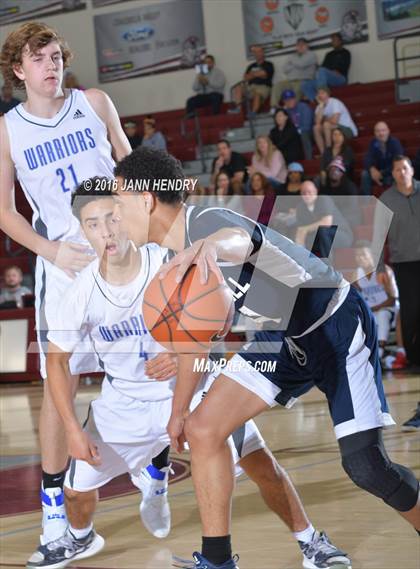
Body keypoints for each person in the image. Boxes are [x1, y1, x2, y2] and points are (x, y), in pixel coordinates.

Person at [113, 147, 419, 569]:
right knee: (202, 430)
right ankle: (218, 560)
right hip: (281, 339)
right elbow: (196, 345)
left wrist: (209, 247)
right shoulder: (171, 260)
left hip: (334, 323)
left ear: (145, 200)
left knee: (367, 468)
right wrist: (178, 411)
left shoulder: (205, 221)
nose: (115, 210)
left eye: (119, 198)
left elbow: (242, 240)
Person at [35, 182, 349, 568]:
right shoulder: (80, 292)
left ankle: (312, 542)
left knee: (260, 464)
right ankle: (82, 537)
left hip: (193, 389)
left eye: (112, 218)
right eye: (93, 224)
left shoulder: (171, 260)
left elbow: (216, 323)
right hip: (124, 403)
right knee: (74, 492)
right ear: (83, 231)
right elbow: (56, 362)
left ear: (126, 215)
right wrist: (71, 429)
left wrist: (184, 350)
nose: (107, 232)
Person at [0, 21, 133, 552]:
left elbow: (133, 168)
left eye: (55, 56)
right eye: (38, 59)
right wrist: (52, 251)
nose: (50, 65)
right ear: (18, 71)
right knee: (59, 394)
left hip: (123, 256)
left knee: (163, 360)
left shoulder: (96, 103)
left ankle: (188, 452)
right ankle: (55, 517)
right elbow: (5, 214)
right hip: (64, 266)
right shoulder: (8, 129)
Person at [375, 156, 420, 369]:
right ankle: (413, 357)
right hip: (403, 263)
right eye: (397, 170)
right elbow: (377, 236)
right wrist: (380, 266)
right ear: (392, 174)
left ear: (411, 169)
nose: (402, 172)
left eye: (405, 168)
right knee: (410, 311)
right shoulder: (386, 199)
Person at [353, 241, 399, 360]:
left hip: (389, 311)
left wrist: (372, 309)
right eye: (357, 256)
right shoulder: (356, 274)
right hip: (371, 312)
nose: (360, 258)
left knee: (382, 315)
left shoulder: (385, 271)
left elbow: (393, 300)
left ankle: (379, 352)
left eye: (363, 255)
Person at [295, 180, 353, 257]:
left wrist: (305, 229)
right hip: (319, 237)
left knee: (322, 232)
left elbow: (327, 223)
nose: (307, 195)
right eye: (304, 193)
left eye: (309, 192)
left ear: (316, 191)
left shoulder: (323, 199)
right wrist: (300, 251)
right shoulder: (300, 208)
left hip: (342, 234)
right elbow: (300, 231)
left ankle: (327, 266)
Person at [302, 33, 351, 102]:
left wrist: (335, 71)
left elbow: (345, 66)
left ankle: (323, 98)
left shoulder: (346, 53)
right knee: (305, 83)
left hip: (340, 78)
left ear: (340, 41)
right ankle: (317, 101)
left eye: (334, 40)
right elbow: (322, 67)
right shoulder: (329, 54)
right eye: (332, 40)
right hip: (328, 78)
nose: (333, 42)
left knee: (322, 71)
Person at [270, 38, 317, 109]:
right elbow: (285, 69)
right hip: (290, 80)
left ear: (307, 46)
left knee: (298, 88)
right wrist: (297, 64)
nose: (300, 46)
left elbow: (301, 64)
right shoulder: (293, 56)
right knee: (277, 85)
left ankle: (290, 109)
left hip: (303, 80)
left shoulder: (311, 54)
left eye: (302, 45)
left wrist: (292, 63)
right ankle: (274, 107)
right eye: (298, 45)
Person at [361, 122, 404, 195]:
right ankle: (366, 201)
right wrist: (372, 169)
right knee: (365, 174)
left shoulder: (395, 143)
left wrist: (381, 173)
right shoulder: (373, 143)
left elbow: (398, 162)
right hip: (378, 172)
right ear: (374, 133)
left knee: (396, 175)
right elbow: (367, 158)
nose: (381, 133)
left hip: (390, 172)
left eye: (383, 130)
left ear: (388, 131)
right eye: (378, 131)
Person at [229, 46, 274, 115]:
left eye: (259, 52)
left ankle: (253, 112)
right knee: (238, 88)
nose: (257, 54)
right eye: (255, 52)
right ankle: (238, 109)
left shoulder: (269, 64)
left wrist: (252, 74)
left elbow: (265, 74)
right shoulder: (251, 66)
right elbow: (245, 78)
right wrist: (258, 74)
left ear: (263, 53)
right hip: (251, 87)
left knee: (257, 94)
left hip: (263, 87)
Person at [313, 87, 357, 154]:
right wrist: (321, 106)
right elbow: (317, 123)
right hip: (334, 129)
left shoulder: (334, 102)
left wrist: (325, 119)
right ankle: (323, 154)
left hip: (347, 129)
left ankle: (329, 152)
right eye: (318, 93)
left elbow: (335, 120)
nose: (320, 95)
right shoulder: (319, 107)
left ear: (328, 94)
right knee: (316, 128)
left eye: (322, 93)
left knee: (326, 124)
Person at [321, 156, 361, 227]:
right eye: (331, 170)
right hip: (332, 217)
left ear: (342, 173)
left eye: (337, 170)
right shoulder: (325, 189)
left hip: (349, 217)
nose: (334, 172)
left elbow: (352, 208)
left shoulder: (350, 187)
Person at [281, 89, 314, 160]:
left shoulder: (303, 107)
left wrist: (294, 132)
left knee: (303, 134)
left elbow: (306, 126)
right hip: (295, 133)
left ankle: (309, 159)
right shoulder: (285, 111)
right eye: (286, 100)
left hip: (309, 132)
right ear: (284, 102)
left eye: (291, 99)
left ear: (295, 99)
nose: (289, 102)